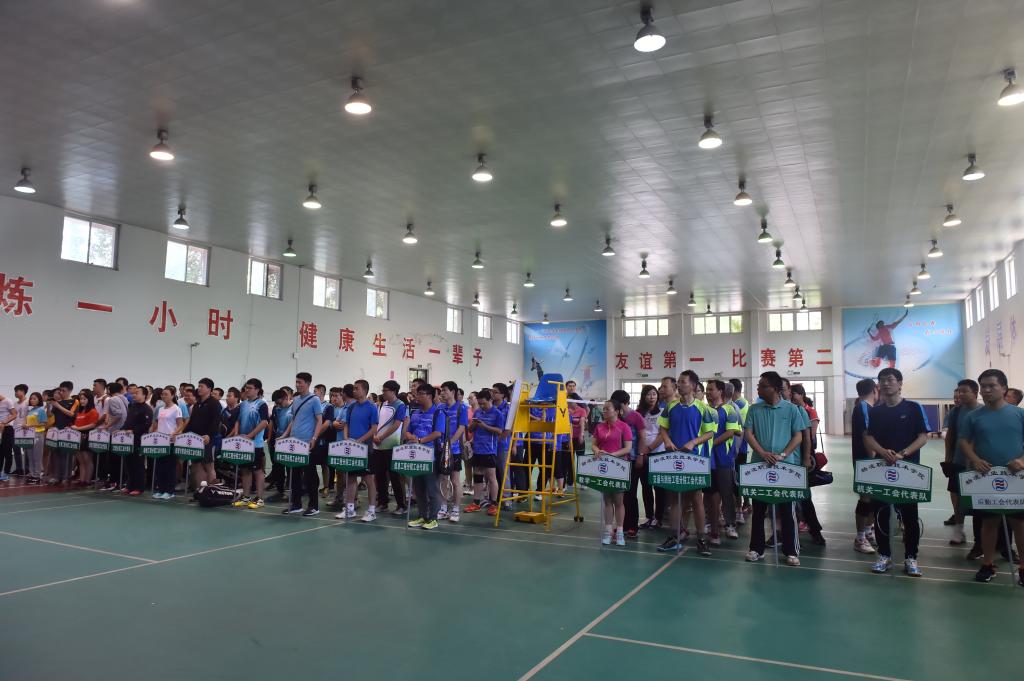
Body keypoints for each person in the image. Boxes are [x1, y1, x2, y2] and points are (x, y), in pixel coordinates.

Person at [863, 368, 930, 577]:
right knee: (881, 513)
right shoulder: (875, 411)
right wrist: (883, 452)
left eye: (890, 380)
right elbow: (869, 437)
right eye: (882, 380)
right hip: (882, 469)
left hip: (907, 470)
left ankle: (911, 557)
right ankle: (884, 555)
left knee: (909, 516)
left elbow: (923, 436)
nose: (885, 383)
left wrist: (903, 453)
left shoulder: (913, 408)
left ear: (900, 383)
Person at [959, 369, 1024, 584]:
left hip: (1016, 478)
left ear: (1004, 388)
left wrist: (1022, 461)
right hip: (986, 477)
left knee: (1019, 523)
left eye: (991, 386)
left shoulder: (1019, 414)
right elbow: (964, 441)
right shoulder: (973, 416)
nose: (986, 390)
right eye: (983, 386)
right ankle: (988, 564)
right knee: (989, 522)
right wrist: (975, 459)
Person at [743, 371, 806, 566]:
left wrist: (783, 455)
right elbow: (748, 433)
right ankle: (756, 549)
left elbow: (798, 436)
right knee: (759, 510)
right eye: (759, 385)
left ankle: (791, 551)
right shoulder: (754, 409)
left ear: (776, 389)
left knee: (787, 511)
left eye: (763, 386)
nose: (759, 389)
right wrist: (762, 453)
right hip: (759, 467)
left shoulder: (791, 409)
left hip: (785, 467)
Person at [656, 370, 715, 555]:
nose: (679, 385)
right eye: (678, 382)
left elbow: (710, 432)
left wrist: (693, 442)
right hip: (674, 458)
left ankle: (701, 539)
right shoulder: (671, 406)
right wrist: (667, 440)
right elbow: (663, 427)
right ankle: (675, 536)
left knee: (697, 499)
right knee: (674, 499)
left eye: (683, 382)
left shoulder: (703, 408)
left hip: (695, 459)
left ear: (694, 386)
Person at [281, 372, 323, 517]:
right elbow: (294, 419)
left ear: (308, 383)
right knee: (294, 475)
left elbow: (319, 420)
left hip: (307, 443)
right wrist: (285, 435)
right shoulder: (296, 399)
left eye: (300, 382)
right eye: (297, 382)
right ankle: (296, 504)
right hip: (294, 443)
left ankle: (314, 506)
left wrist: (314, 438)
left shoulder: (314, 400)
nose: (298, 385)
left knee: (310, 476)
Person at [944, 380, 979, 548]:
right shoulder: (956, 412)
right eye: (959, 391)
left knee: (979, 501)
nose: (960, 394)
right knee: (958, 499)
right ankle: (959, 531)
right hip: (958, 462)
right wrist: (948, 457)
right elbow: (950, 436)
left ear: (975, 393)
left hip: (979, 464)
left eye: (964, 391)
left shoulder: (983, 411)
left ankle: (981, 539)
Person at [592, 399, 633, 546]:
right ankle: (608, 531)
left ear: (616, 411)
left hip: (619, 466)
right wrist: (597, 450)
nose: (604, 411)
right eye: (603, 409)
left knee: (619, 501)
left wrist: (612, 455)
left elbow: (628, 448)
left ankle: (620, 532)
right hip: (604, 467)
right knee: (607, 500)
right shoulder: (599, 427)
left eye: (607, 409)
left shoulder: (624, 427)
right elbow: (594, 444)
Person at [405, 384, 445, 530]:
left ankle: (433, 518)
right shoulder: (415, 413)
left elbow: (437, 433)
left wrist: (420, 440)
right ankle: (422, 516)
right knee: (419, 489)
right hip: (416, 456)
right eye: (417, 393)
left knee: (432, 489)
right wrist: (409, 436)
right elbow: (408, 431)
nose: (417, 396)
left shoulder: (438, 413)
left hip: (431, 457)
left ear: (429, 396)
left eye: (421, 393)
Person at [704, 380, 740, 542]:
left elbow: (731, 432)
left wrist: (711, 443)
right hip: (707, 460)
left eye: (711, 389)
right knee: (709, 495)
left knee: (726, 494)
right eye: (706, 389)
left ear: (720, 391)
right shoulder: (705, 410)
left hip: (724, 459)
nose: (707, 392)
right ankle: (710, 524)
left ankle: (730, 524)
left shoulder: (729, 409)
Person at [790, 383, 825, 545]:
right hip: (788, 460)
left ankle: (814, 529)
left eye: (793, 393)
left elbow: (810, 436)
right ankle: (790, 529)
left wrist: (806, 457)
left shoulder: (807, 411)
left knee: (804, 496)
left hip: (802, 458)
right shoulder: (788, 410)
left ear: (801, 394)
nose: (791, 396)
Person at [339, 379, 379, 522]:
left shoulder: (372, 407)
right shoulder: (351, 407)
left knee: (368, 480)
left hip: (365, 448)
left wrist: (360, 440)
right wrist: (346, 438)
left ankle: (372, 511)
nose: (354, 391)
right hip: (351, 448)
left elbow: (373, 429)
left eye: (357, 388)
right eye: (354, 388)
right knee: (350, 478)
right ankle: (350, 509)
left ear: (365, 390)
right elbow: (346, 424)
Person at [613, 389, 647, 538]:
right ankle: (623, 525)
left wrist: (640, 455)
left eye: (617, 404)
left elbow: (643, 437)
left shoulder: (636, 416)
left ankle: (633, 526)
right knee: (621, 495)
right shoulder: (617, 418)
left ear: (624, 403)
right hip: (619, 461)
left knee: (631, 494)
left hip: (633, 460)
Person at [851, 378, 879, 554]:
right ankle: (860, 538)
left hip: (870, 462)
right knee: (865, 498)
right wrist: (873, 458)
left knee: (872, 498)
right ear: (874, 390)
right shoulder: (863, 407)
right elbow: (866, 435)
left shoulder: (868, 407)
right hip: (866, 462)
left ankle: (868, 531)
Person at [373, 380, 409, 516]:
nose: (383, 393)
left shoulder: (400, 405)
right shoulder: (381, 404)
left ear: (393, 391)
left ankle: (401, 505)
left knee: (395, 477)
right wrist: (375, 436)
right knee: (380, 477)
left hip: (392, 445)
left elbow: (396, 425)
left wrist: (381, 437)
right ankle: (383, 503)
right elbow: (377, 423)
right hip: (378, 446)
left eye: (385, 390)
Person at [233, 379, 269, 508]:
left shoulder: (262, 404)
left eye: (250, 388)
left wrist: (250, 435)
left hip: (256, 444)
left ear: (257, 390)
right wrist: (236, 434)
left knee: (258, 471)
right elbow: (238, 420)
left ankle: (260, 498)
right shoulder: (243, 404)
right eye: (246, 388)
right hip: (243, 444)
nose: (246, 390)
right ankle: (246, 497)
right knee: (245, 470)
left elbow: (264, 422)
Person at [465, 388, 502, 514]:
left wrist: (484, 426)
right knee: (478, 475)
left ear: (490, 400)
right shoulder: (477, 412)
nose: (481, 406)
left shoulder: (497, 413)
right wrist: (474, 424)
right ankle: (476, 502)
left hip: (489, 450)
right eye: (480, 403)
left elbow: (499, 431)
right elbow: (470, 429)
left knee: (491, 477)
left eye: (483, 403)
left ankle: (494, 504)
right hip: (477, 449)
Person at [635, 385, 665, 530]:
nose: (652, 397)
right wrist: (642, 452)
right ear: (643, 396)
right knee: (646, 487)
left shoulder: (663, 413)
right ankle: (649, 517)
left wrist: (649, 449)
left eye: (654, 394)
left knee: (659, 488)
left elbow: (663, 434)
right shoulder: (638, 413)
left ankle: (658, 518)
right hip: (642, 454)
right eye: (648, 394)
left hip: (658, 454)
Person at [437, 381, 467, 522]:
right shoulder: (440, 407)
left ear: (453, 392)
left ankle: (455, 509)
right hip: (441, 450)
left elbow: (461, 428)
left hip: (454, 450)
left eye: (445, 390)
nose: (442, 393)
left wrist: (450, 443)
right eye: (441, 390)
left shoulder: (461, 408)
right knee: (443, 479)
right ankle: (443, 508)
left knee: (455, 480)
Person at [186, 378, 222, 490]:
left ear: (209, 389)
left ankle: (212, 490)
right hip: (195, 439)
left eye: (201, 386)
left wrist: (209, 435)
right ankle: (200, 491)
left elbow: (216, 421)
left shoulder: (214, 403)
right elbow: (191, 422)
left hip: (208, 440)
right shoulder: (197, 404)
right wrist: (183, 434)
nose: (199, 388)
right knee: (196, 465)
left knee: (209, 465)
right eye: (198, 386)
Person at [151, 387, 184, 499]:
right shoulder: (160, 409)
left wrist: (174, 433)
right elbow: (158, 424)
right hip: (161, 442)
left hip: (171, 441)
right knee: (160, 467)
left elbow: (180, 424)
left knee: (170, 467)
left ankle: (170, 491)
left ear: (172, 395)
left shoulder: (176, 409)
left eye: (166, 394)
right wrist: (154, 432)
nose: (163, 396)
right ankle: (161, 490)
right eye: (162, 394)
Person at [123, 386, 154, 495]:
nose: (134, 395)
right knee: (129, 463)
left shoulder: (147, 409)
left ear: (144, 395)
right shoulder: (132, 406)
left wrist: (134, 431)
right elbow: (128, 421)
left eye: (137, 393)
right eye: (133, 393)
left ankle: (139, 487)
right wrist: (121, 429)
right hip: (128, 439)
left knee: (138, 464)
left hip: (139, 439)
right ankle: (130, 485)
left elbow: (146, 425)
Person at [729, 378, 751, 524]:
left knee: (737, 479)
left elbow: (740, 430)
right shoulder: (742, 403)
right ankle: (746, 504)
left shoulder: (739, 406)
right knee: (739, 478)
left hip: (739, 449)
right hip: (738, 449)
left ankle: (741, 507)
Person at [266, 389, 293, 501]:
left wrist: (286, 437)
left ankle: (291, 491)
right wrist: (270, 437)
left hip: (290, 442)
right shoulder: (276, 409)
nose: (278, 405)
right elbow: (272, 423)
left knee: (290, 468)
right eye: (276, 403)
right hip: (277, 441)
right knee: (278, 466)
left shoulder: (294, 408)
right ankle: (279, 490)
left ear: (286, 398)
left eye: (279, 402)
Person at [100, 382, 127, 490]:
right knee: (120, 459)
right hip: (123, 431)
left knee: (114, 459)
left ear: (109, 389)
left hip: (115, 431)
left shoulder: (112, 399)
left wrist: (107, 426)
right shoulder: (124, 399)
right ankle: (120, 482)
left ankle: (114, 482)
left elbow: (118, 414)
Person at [71, 390, 100, 485]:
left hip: (87, 436)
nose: (82, 401)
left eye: (84, 399)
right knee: (81, 460)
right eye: (81, 399)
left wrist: (78, 428)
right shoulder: (80, 411)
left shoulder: (93, 411)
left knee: (87, 459)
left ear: (89, 399)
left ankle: (87, 480)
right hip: (78, 436)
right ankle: (82, 479)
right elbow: (77, 423)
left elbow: (93, 425)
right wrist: (73, 427)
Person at [24, 392, 48, 483]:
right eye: (31, 398)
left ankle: (37, 475)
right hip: (29, 435)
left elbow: (44, 423)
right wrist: (25, 425)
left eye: (34, 398)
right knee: (30, 456)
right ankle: (32, 474)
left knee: (37, 456)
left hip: (38, 434)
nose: (32, 400)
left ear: (39, 400)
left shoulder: (41, 410)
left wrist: (30, 426)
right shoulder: (31, 410)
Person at [0, 390, 16, 482]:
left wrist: (4, 422)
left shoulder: (8, 401)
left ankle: (6, 472)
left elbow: (14, 414)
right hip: (0, 430)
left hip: (7, 429)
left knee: (7, 452)